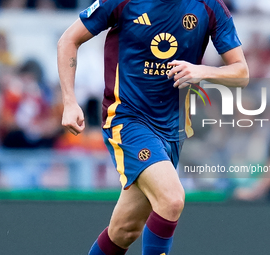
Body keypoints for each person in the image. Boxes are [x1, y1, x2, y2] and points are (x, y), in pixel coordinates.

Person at [57, 0, 249, 254]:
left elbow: (241, 72)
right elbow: (68, 40)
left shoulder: (209, 6)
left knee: (125, 230)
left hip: (173, 129)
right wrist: (70, 102)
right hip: (128, 118)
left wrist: (202, 71)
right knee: (171, 199)